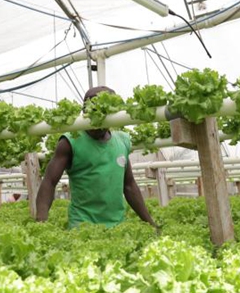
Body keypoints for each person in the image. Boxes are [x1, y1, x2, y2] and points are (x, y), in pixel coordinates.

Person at [35, 86, 157, 229]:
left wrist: (150, 223)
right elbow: (49, 181)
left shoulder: (122, 141)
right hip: (82, 227)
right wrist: (41, 223)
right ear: (84, 111)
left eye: (102, 112)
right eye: (91, 110)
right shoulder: (70, 142)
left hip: (117, 226)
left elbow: (129, 185)